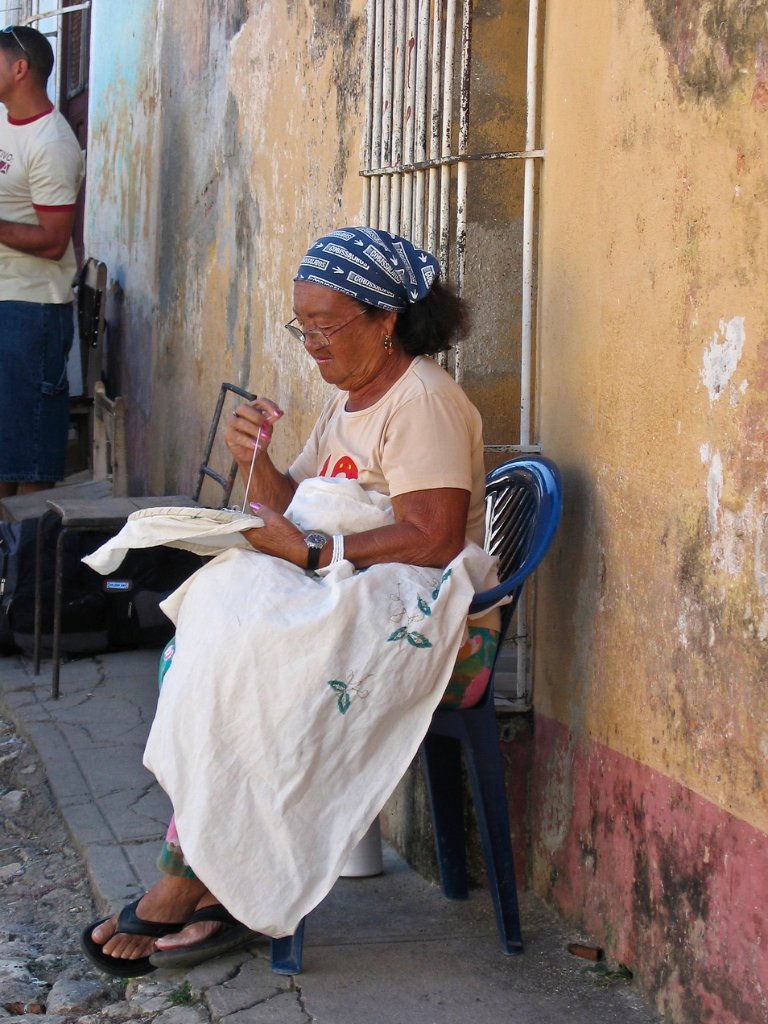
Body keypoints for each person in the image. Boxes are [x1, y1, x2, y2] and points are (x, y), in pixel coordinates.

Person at [82, 226, 502, 976]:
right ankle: (214, 876)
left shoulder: (424, 402)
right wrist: (258, 461)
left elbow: (434, 538)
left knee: (249, 664)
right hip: (358, 596)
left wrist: (314, 554)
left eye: (327, 324)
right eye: (301, 325)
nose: (311, 342)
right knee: (215, 639)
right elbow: (297, 510)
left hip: (440, 628)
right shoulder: (348, 403)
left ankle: (193, 884)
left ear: (386, 320)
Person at [0, 25, 85, 500]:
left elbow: (54, 241)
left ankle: (27, 565)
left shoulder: (52, 143)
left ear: (19, 68)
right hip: (5, 298)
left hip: (31, 310)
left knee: (28, 450)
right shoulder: (4, 122)